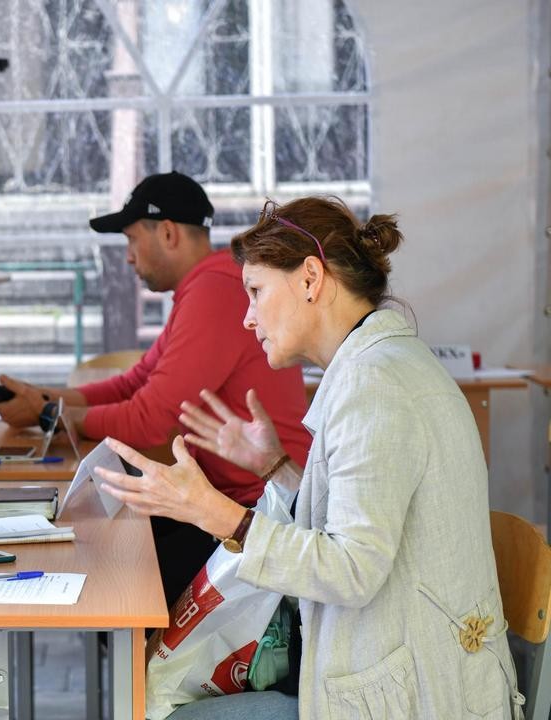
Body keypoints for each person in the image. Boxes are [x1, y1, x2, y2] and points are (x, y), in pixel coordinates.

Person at [96, 197, 522, 718]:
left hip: (419, 697)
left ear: (311, 278)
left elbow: (352, 571)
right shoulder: (379, 364)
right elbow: (364, 522)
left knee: (160, 709)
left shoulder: (374, 385)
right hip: (414, 673)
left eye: (255, 292)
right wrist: (277, 467)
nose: (248, 318)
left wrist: (218, 514)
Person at [0, 172, 310, 605]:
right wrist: (44, 397)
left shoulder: (216, 289)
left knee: (107, 575)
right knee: (105, 548)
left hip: (258, 513)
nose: (128, 257)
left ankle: (142, 672)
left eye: (131, 240)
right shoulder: (206, 285)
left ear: (168, 233)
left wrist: (51, 416)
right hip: (233, 503)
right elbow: (136, 382)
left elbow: (148, 419)